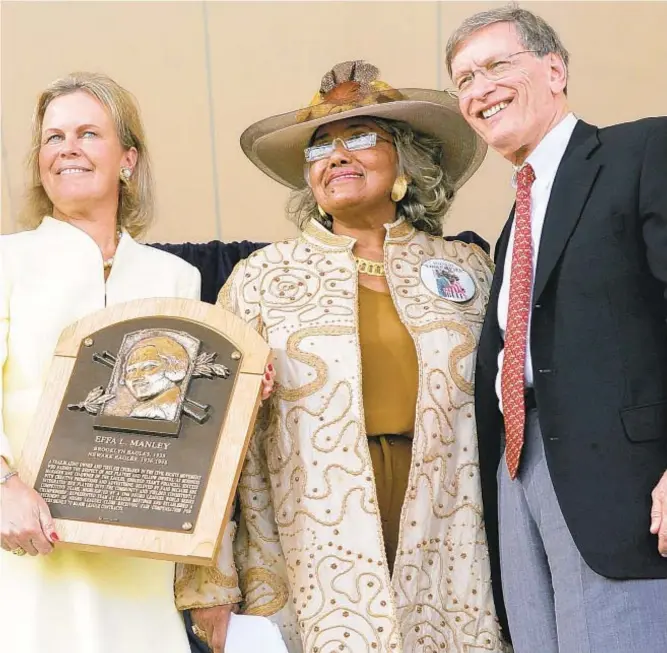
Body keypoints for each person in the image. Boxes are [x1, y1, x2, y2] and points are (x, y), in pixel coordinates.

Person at [175, 60, 509, 653]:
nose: (336, 156)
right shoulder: (260, 280)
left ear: (406, 158)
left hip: (449, 528)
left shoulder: (469, 270)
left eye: (359, 137)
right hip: (307, 540)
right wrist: (209, 586)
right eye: (320, 147)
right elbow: (210, 440)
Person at [446, 6, 667, 652]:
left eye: (494, 66)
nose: (477, 89)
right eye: (462, 80)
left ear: (553, 69)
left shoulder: (640, 152)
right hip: (519, 479)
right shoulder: (510, 226)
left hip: (620, 490)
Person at [1, 71, 200, 653]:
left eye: (88, 133)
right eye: (53, 136)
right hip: (24, 545)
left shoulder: (176, 278)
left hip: (137, 558)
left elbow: (189, 425)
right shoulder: (7, 262)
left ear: (128, 159)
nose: (67, 148)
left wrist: (240, 389)